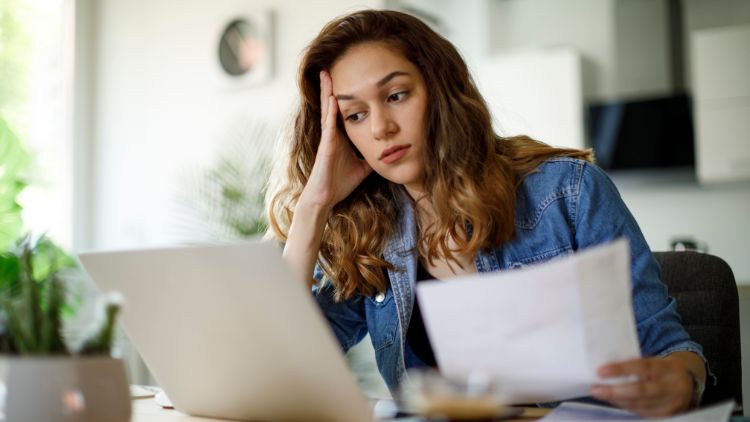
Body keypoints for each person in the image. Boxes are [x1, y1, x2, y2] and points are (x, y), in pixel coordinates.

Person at [267, 9, 710, 417]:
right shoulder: (370, 233)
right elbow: (282, 370)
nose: (381, 128)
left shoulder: (568, 192)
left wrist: (683, 381)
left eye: (397, 95)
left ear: (439, 90)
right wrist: (314, 207)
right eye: (355, 115)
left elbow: (671, 349)